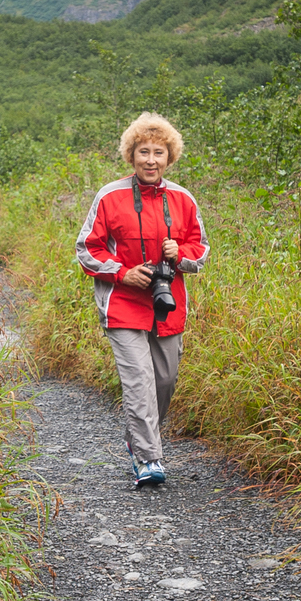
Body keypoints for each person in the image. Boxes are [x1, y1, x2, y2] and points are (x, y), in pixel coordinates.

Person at [75, 112, 210, 488]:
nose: (151, 160)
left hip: (167, 303)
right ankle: (148, 458)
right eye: (143, 152)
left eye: (159, 153)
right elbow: (87, 249)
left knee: (164, 381)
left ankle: (139, 436)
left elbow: (201, 251)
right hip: (123, 302)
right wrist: (122, 272)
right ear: (131, 155)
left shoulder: (183, 199)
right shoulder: (111, 196)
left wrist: (178, 253)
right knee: (139, 382)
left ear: (170, 158)